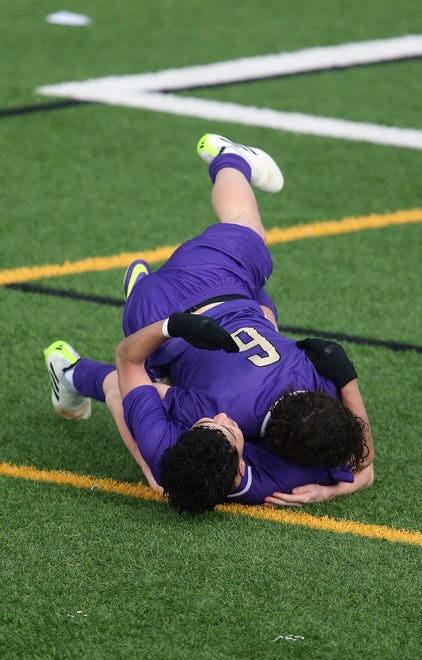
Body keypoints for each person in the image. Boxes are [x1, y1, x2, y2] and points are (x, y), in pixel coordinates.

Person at [44, 133, 374, 512]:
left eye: (210, 423)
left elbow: (128, 378)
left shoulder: (302, 381)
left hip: (206, 298)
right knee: (249, 322)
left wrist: (152, 464)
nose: (220, 418)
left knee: (247, 229)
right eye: (229, 428)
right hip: (182, 309)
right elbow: (362, 467)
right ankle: (120, 318)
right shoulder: (261, 448)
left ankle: (229, 160)